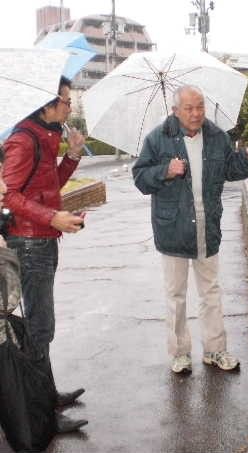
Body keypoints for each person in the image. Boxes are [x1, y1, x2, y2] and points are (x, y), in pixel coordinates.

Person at [133, 85, 248, 374]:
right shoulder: (157, 139)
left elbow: (230, 168)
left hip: (207, 226)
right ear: (175, 111)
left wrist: (247, 159)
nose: (196, 113)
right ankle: (180, 353)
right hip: (173, 229)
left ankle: (215, 350)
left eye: (200, 106)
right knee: (176, 296)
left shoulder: (217, 136)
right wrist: (166, 170)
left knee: (211, 292)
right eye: (189, 108)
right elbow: (140, 178)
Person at [2, 77, 88, 428]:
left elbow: (48, 186)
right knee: (40, 327)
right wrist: (53, 216)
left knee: (42, 326)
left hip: (44, 239)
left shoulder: (43, 137)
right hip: (31, 242)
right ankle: (41, 416)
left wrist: (73, 155)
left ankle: (47, 396)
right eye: (66, 101)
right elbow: (9, 196)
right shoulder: (24, 140)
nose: (69, 107)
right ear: (47, 105)